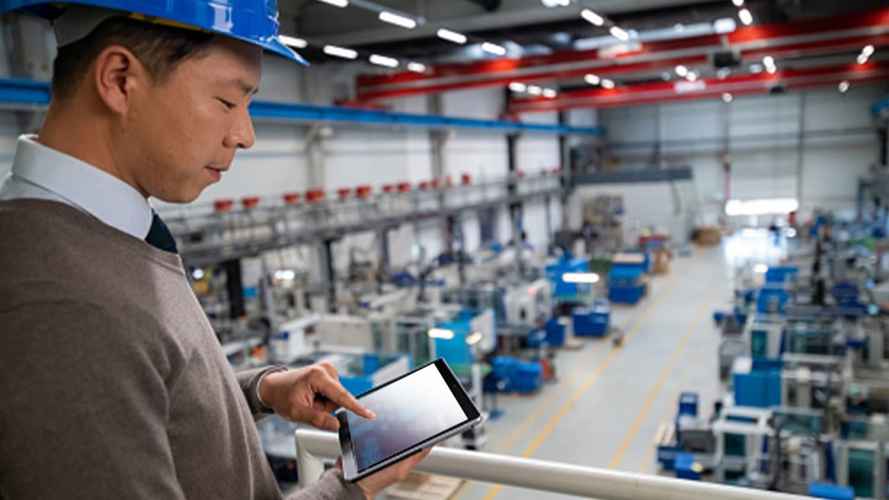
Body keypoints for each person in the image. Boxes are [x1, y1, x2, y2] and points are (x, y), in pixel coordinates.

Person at [0, 1, 428, 499]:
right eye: (227, 102)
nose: (244, 135)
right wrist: (349, 486)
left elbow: (147, 397)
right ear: (119, 79)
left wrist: (263, 390)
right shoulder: (61, 305)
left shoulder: (103, 234)